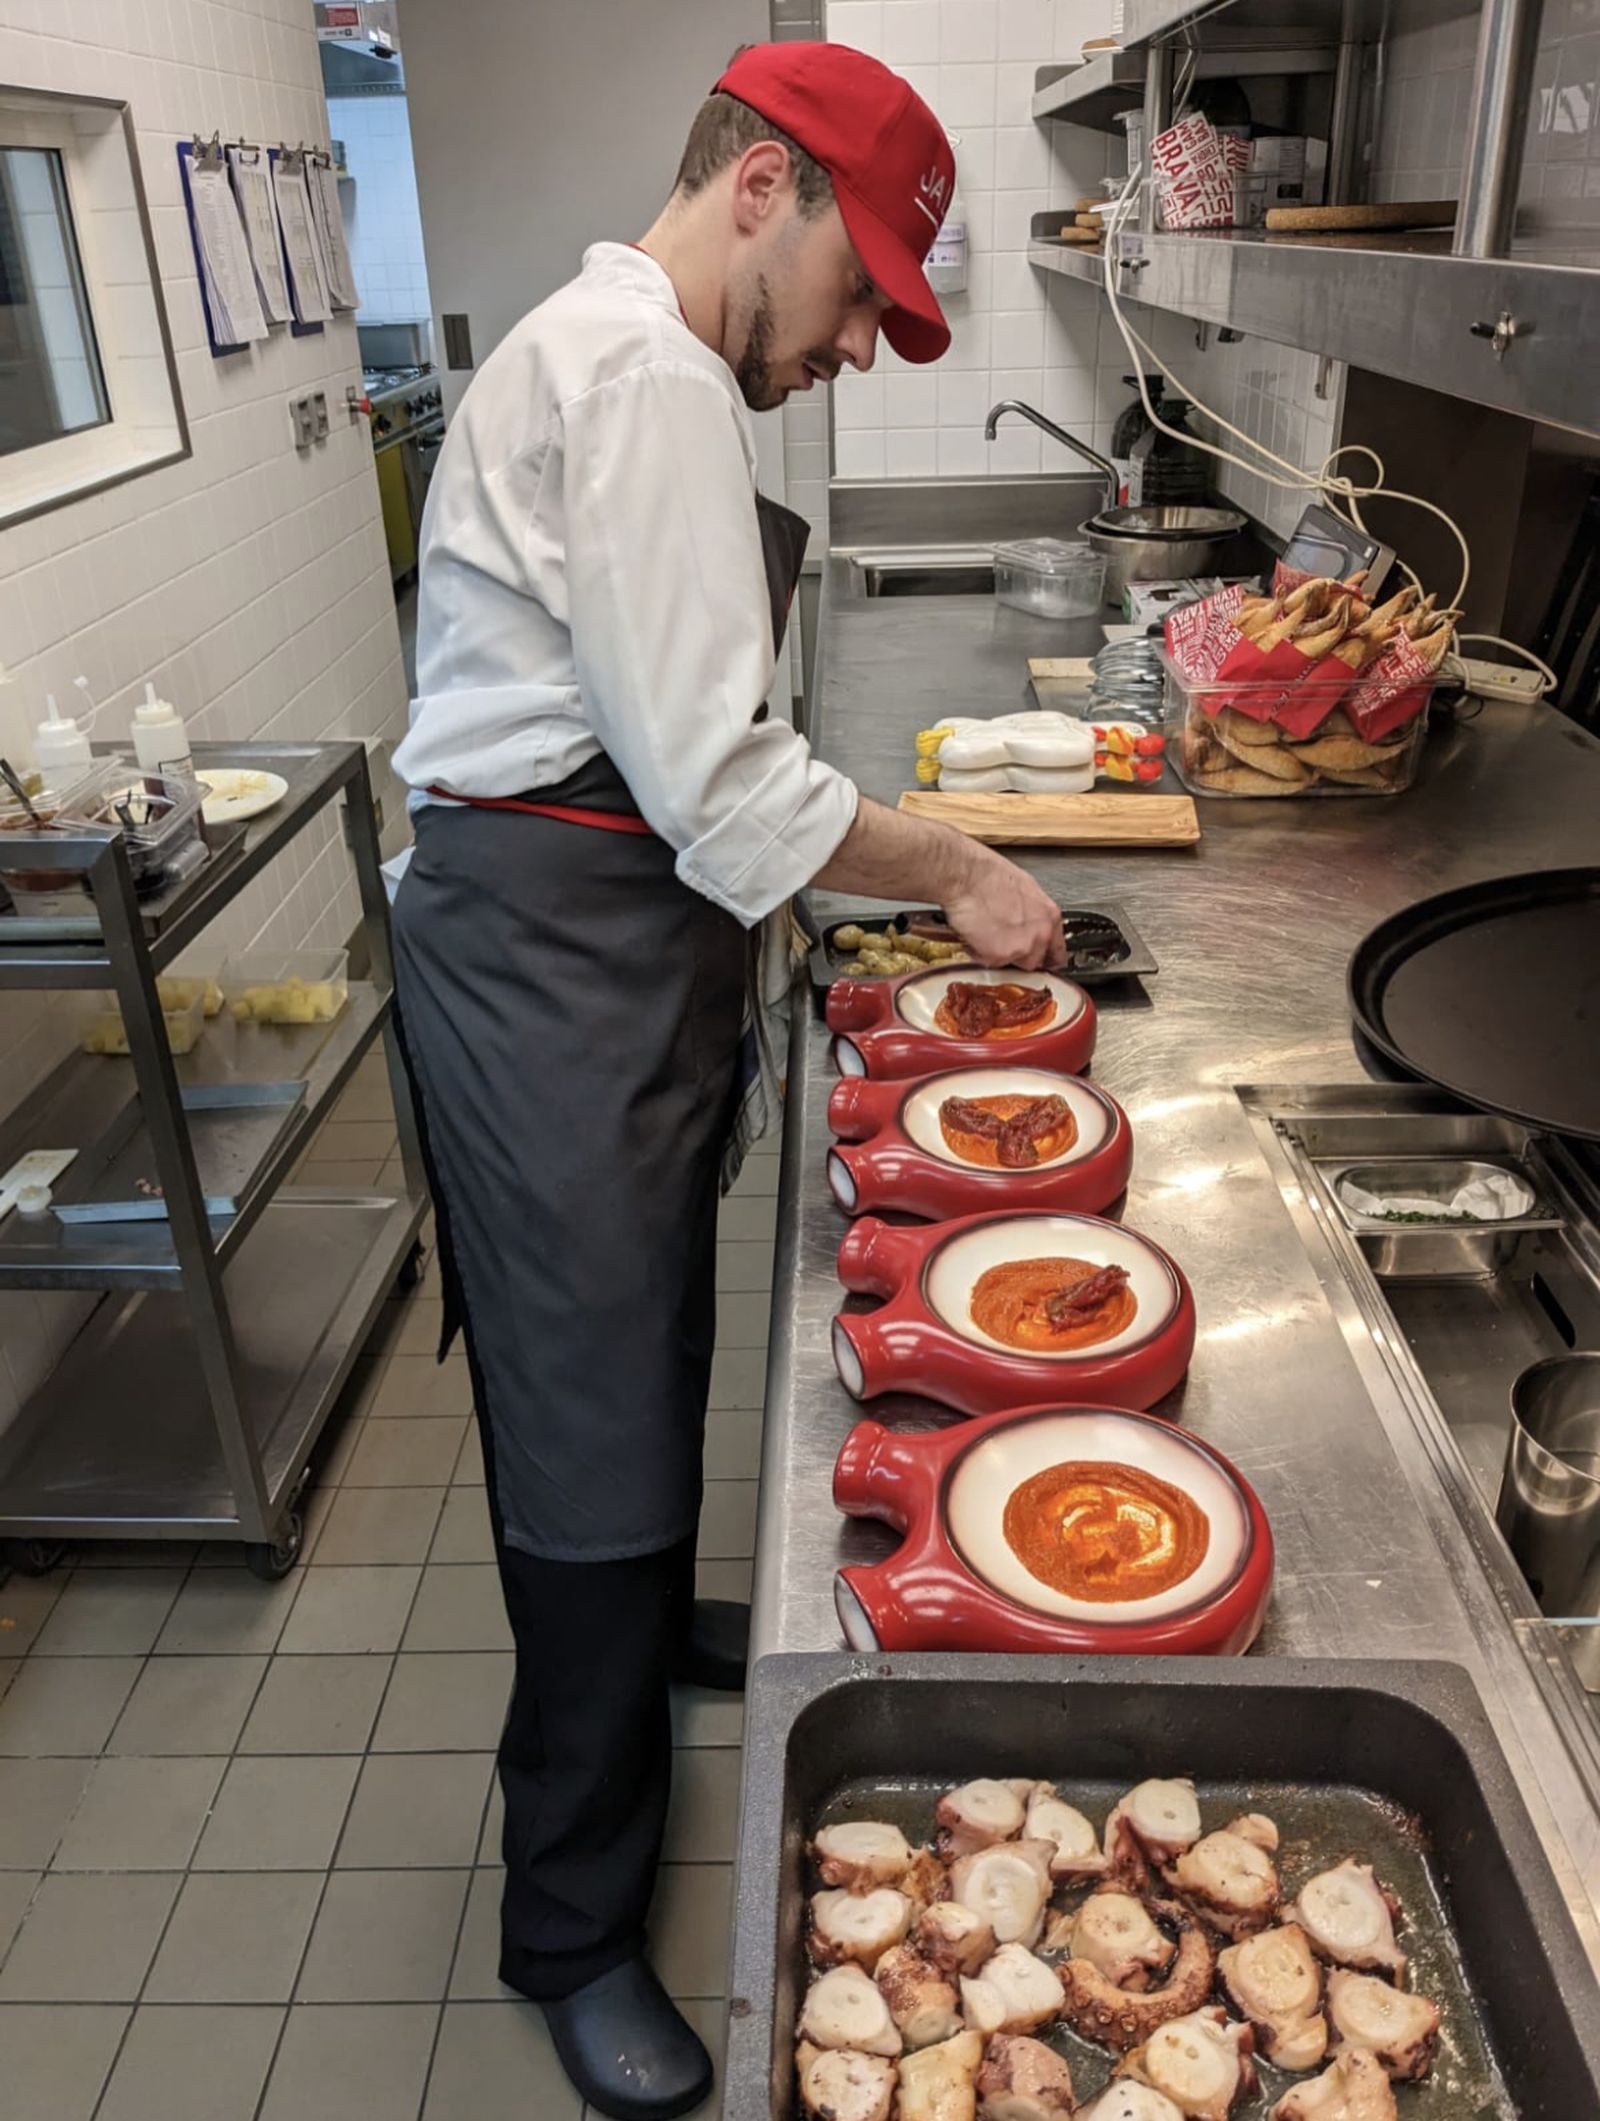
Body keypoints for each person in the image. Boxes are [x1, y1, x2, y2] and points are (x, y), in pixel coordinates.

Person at [389, 39, 1063, 2121]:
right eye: (864, 292)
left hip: (608, 960)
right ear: (760, 186)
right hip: (553, 968)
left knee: (647, 1340)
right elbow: (714, 775)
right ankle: (571, 1927)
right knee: (585, 1424)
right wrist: (949, 863)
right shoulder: (653, 373)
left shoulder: (626, 356)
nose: (856, 346)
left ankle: (644, 1629)